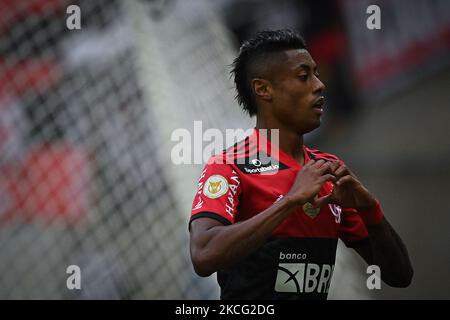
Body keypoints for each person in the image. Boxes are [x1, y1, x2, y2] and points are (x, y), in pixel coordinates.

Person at [189, 29, 413, 300]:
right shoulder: (229, 166)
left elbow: (399, 276)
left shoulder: (328, 170)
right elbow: (203, 254)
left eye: (316, 74)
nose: (319, 85)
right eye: (303, 76)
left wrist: (370, 209)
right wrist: (290, 201)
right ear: (263, 89)